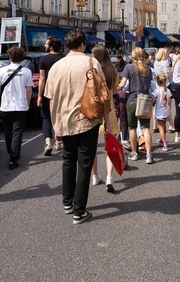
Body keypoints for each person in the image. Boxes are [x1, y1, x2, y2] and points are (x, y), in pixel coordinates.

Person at [45, 29, 109, 224]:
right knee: (84, 163)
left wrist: (55, 124)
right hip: (87, 119)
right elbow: (103, 93)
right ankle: (79, 210)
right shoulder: (91, 62)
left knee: (68, 160)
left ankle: (67, 202)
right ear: (82, 45)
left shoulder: (57, 66)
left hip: (63, 120)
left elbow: (50, 98)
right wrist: (106, 121)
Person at [0, 46, 33, 170]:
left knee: (8, 131)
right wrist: (27, 103)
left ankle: (11, 153)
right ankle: (13, 158)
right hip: (21, 106)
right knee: (18, 133)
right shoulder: (26, 71)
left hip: (6, 106)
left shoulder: (2, 70)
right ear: (22, 58)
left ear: (9, 56)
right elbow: (29, 90)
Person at [91, 45, 120, 193]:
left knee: (92, 147)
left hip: (94, 110)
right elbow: (115, 90)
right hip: (109, 111)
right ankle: (109, 177)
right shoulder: (112, 70)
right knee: (110, 146)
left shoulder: (91, 70)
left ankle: (95, 176)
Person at [118, 47, 155, 164]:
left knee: (132, 128)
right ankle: (149, 155)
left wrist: (114, 87)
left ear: (132, 56)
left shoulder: (128, 68)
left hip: (132, 100)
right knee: (145, 128)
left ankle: (134, 153)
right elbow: (151, 86)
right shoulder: (148, 69)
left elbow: (122, 84)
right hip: (144, 100)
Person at [37, 36, 63, 156]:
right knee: (59, 116)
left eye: (47, 44)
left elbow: (42, 79)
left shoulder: (43, 60)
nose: (45, 46)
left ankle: (48, 143)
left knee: (46, 118)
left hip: (48, 92)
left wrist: (39, 95)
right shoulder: (63, 59)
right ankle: (58, 140)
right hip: (61, 92)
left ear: (51, 46)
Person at [154, 74, 172, 151]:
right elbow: (169, 102)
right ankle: (162, 139)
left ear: (157, 82)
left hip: (159, 112)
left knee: (161, 128)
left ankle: (164, 143)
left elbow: (152, 99)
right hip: (166, 111)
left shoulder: (157, 91)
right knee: (164, 126)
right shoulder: (168, 90)